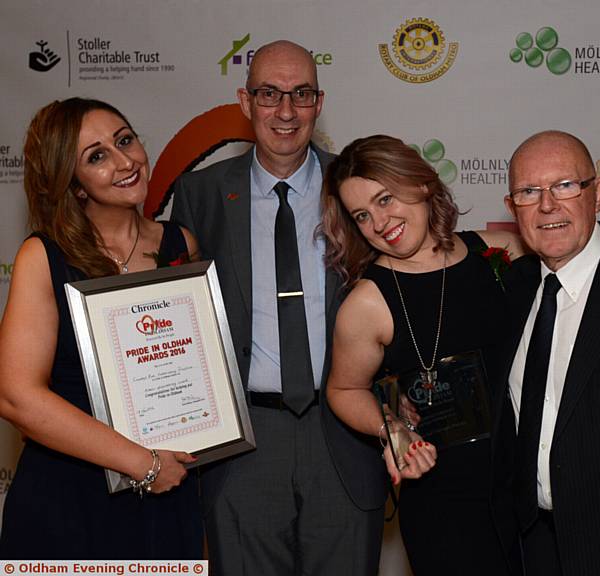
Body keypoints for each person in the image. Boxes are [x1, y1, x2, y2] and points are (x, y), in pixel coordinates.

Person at [171, 40, 388, 575]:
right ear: (245, 102)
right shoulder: (199, 193)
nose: (286, 111)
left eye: (301, 94)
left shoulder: (358, 188)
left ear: (319, 101)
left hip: (343, 434)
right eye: (270, 94)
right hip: (243, 442)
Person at [0, 98, 202, 559]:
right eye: (97, 156)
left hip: (169, 492)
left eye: (124, 140)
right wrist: (142, 463)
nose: (125, 161)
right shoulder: (43, 256)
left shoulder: (179, 244)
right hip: (71, 495)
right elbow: (15, 395)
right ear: (72, 186)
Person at [321, 134, 526, 576]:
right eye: (362, 215)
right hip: (445, 498)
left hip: (528, 483)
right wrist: (392, 429)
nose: (379, 222)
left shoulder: (498, 252)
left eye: (385, 198)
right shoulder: (367, 302)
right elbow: (342, 388)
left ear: (421, 184)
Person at [492, 129, 600, 575]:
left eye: (564, 186)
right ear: (511, 207)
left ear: (598, 194)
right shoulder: (510, 290)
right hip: (530, 548)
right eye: (528, 191)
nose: (547, 205)